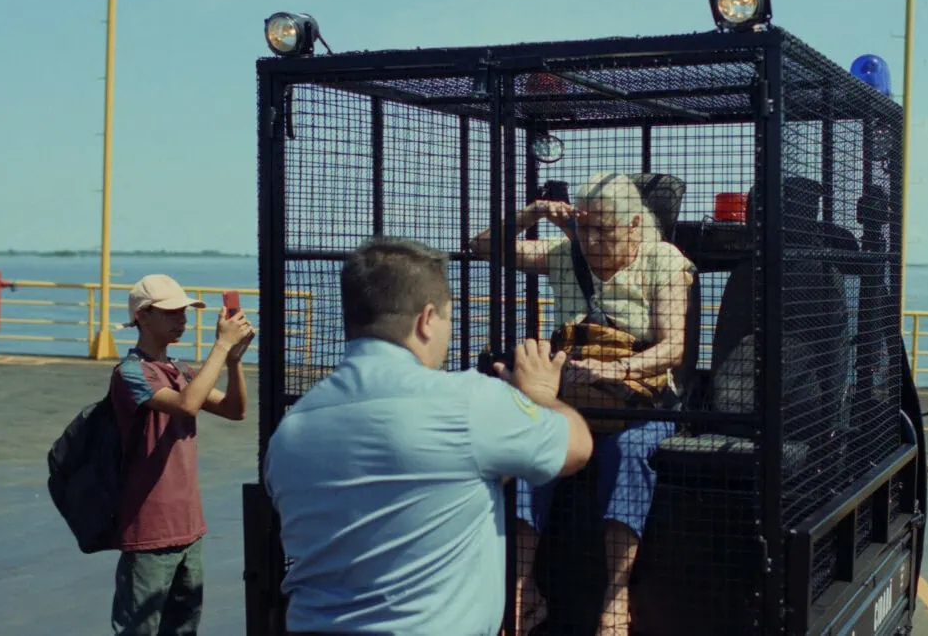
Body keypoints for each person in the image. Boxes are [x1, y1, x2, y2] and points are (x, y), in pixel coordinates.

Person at [262, 237, 594, 636]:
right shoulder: (467, 403)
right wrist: (539, 392)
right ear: (426, 320)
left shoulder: (291, 430)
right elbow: (576, 447)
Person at [470, 172, 696, 636]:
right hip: (573, 402)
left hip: (640, 405)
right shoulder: (563, 257)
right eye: (586, 228)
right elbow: (483, 246)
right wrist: (529, 215)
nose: (593, 241)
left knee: (629, 454)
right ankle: (520, 588)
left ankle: (616, 597)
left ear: (634, 225)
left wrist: (620, 370)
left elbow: (674, 346)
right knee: (530, 451)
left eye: (605, 231)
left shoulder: (664, 263)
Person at [110, 274, 254, 636]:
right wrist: (221, 346)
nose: (182, 320)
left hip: (189, 529)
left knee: (183, 629)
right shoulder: (131, 373)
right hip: (150, 532)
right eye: (172, 312)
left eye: (184, 312)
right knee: (138, 630)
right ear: (143, 316)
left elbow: (235, 410)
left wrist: (234, 361)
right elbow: (188, 405)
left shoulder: (181, 371)